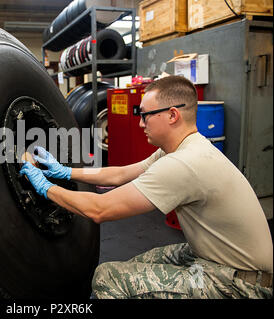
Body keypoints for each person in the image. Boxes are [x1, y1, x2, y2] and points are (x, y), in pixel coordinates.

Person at [19, 75, 273, 299]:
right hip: (212, 257)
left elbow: (99, 209)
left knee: (108, 277)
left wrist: (44, 186)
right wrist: (64, 171)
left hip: (243, 284)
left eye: (145, 115)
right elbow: (119, 174)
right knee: (139, 263)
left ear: (172, 114)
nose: (141, 123)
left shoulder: (184, 163)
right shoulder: (183, 148)